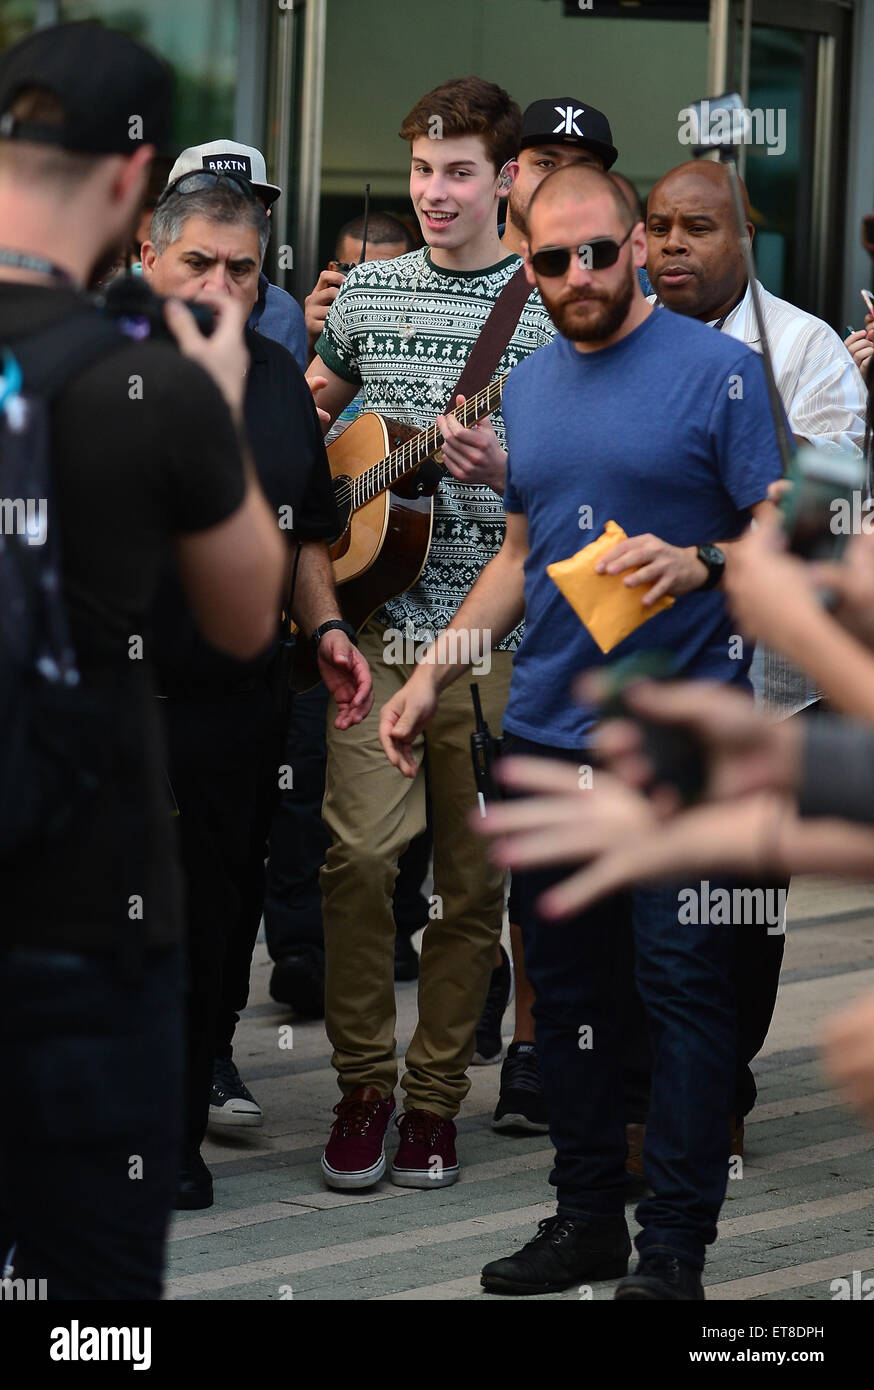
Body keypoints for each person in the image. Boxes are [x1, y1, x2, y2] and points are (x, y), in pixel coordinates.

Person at [379, 162, 785, 1298]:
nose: (578, 276)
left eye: (600, 251)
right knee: (568, 1001)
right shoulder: (535, 387)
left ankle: (673, 1254)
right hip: (548, 743)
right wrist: (426, 678)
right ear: (527, 263)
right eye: (550, 260)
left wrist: (701, 559)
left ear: (635, 245)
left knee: (680, 993)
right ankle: (585, 1221)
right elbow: (516, 557)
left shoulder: (724, 376)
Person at [0, 21, 286, 1297]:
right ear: (135, 184)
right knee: (97, 1291)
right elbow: (241, 615)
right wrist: (217, 407)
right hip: (84, 911)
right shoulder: (157, 386)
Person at [306, 75, 555, 1192]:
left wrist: (512, 466)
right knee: (358, 861)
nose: (434, 194)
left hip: (498, 642)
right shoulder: (367, 291)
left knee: (472, 889)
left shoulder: (550, 310)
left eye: (459, 174)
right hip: (377, 626)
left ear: (509, 178)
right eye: (421, 172)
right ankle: (364, 1083)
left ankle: (434, 1101)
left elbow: (584, 479)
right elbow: (315, 419)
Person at [141, 170, 373, 1206]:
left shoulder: (281, 378)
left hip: (238, 700)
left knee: (218, 917)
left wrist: (324, 625)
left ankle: (176, 1126)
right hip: (98, 703)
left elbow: (309, 531)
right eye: (198, 262)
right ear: (149, 258)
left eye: (242, 267)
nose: (221, 285)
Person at [266, 209, 430, 1015]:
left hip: (413, 601)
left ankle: (400, 928)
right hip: (323, 594)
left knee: (410, 794)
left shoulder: (432, 333)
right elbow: (283, 451)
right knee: (301, 783)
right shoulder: (304, 334)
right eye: (351, 275)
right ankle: (297, 950)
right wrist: (309, 340)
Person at [166, 140, 308, 370]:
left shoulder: (283, 313)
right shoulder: (126, 312)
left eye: (247, 208)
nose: (229, 221)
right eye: (209, 206)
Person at [304, 210, 417, 365]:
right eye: (360, 275)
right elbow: (307, 388)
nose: (371, 292)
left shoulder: (424, 323)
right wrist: (310, 343)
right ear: (333, 273)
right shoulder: (313, 320)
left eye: (388, 278)